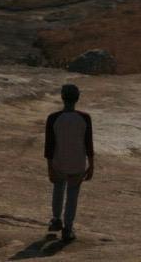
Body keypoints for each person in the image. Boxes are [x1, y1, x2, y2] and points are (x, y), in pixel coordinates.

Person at [45, 83, 95, 245]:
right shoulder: (84, 118)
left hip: (59, 162)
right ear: (77, 98)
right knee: (73, 195)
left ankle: (56, 219)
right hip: (78, 163)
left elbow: (49, 146)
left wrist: (50, 168)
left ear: (62, 97)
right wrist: (91, 164)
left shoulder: (53, 118)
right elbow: (88, 144)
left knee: (58, 189)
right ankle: (68, 228)